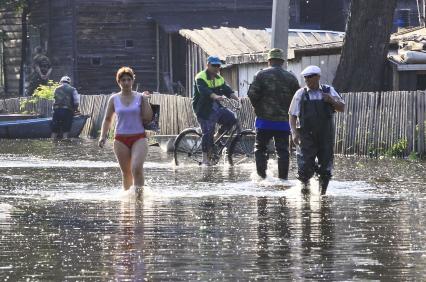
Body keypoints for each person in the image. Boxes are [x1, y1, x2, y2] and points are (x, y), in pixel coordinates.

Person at [288, 65, 345, 195]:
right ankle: (305, 196)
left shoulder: (329, 90)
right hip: (306, 136)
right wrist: (294, 132)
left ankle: (322, 195)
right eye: (305, 78)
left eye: (310, 77)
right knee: (305, 168)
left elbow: (342, 107)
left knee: (326, 168)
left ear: (318, 77)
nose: (307, 80)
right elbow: (292, 114)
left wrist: (331, 101)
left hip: (326, 136)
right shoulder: (300, 94)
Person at [247, 48, 300, 180]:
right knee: (283, 151)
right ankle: (283, 179)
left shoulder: (260, 75)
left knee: (260, 148)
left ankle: (262, 177)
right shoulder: (291, 77)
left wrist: (257, 108)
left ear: (269, 61)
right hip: (283, 122)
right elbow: (297, 98)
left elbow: (252, 94)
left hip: (264, 121)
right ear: (282, 61)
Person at [98, 67, 153, 193]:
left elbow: (148, 118)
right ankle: (128, 200)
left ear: (133, 81)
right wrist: (103, 136)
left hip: (139, 137)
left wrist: (145, 101)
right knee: (126, 172)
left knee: (136, 168)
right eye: (123, 80)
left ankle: (139, 198)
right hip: (120, 139)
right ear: (119, 82)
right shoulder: (114, 99)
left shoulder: (140, 97)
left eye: (129, 79)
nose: (126, 82)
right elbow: (107, 119)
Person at [192, 55, 239, 165]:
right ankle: (204, 159)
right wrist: (215, 96)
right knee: (207, 132)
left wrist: (236, 98)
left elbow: (227, 90)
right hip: (203, 109)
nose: (217, 68)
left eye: (218, 66)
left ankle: (216, 137)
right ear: (208, 65)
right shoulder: (201, 77)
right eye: (214, 65)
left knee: (231, 119)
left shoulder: (219, 78)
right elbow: (203, 90)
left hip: (216, 107)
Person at [51, 76, 80, 140]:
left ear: (61, 82)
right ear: (69, 82)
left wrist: (54, 110)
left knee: (54, 129)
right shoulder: (73, 89)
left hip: (57, 111)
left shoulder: (56, 89)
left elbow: (54, 100)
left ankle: (52, 142)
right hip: (67, 111)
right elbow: (76, 102)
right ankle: (65, 141)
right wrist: (75, 110)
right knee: (66, 129)